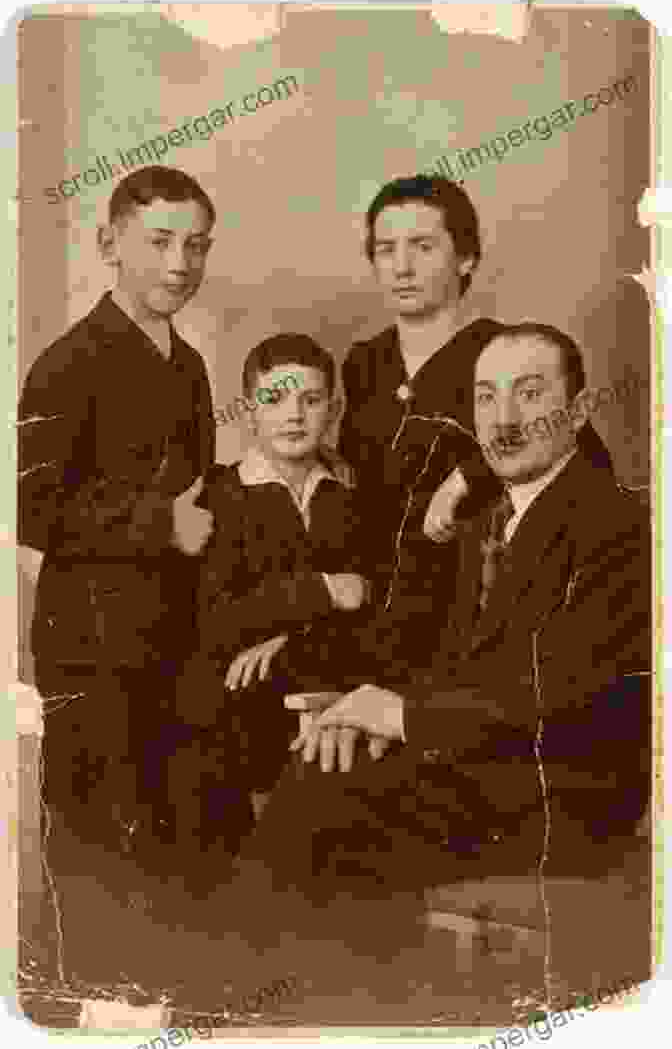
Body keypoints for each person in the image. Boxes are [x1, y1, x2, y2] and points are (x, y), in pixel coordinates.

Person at [215, 322, 649, 987]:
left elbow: (554, 684)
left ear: (580, 409)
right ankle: (279, 996)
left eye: (530, 394)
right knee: (326, 765)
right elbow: (432, 651)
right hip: (484, 763)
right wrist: (356, 700)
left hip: (561, 789)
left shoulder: (614, 522)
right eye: (485, 397)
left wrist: (403, 715)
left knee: (325, 795)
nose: (503, 419)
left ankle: (218, 997)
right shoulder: (489, 518)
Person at [18, 165, 217, 853]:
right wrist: (161, 524)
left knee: (168, 843)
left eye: (196, 245)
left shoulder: (189, 366)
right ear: (109, 244)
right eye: (159, 241)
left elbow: (198, 498)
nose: (179, 263)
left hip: (174, 638)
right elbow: (33, 509)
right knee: (96, 845)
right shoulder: (64, 364)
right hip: (91, 645)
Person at [339, 175, 612, 628]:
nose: (401, 267)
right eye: (386, 249)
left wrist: (466, 477)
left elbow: (580, 460)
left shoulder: (504, 354)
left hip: (472, 611)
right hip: (373, 604)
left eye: (423, 246)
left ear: (466, 258)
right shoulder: (366, 362)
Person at [174, 333, 369, 848]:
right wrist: (319, 590)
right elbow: (216, 620)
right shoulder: (222, 495)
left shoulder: (349, 495)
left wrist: (289, 637)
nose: (294, 415)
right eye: (274, 399)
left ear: (334, 407)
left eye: (310, 399)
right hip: (235, 719)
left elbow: (372, 604)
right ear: (248, 412)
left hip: (327, 694)